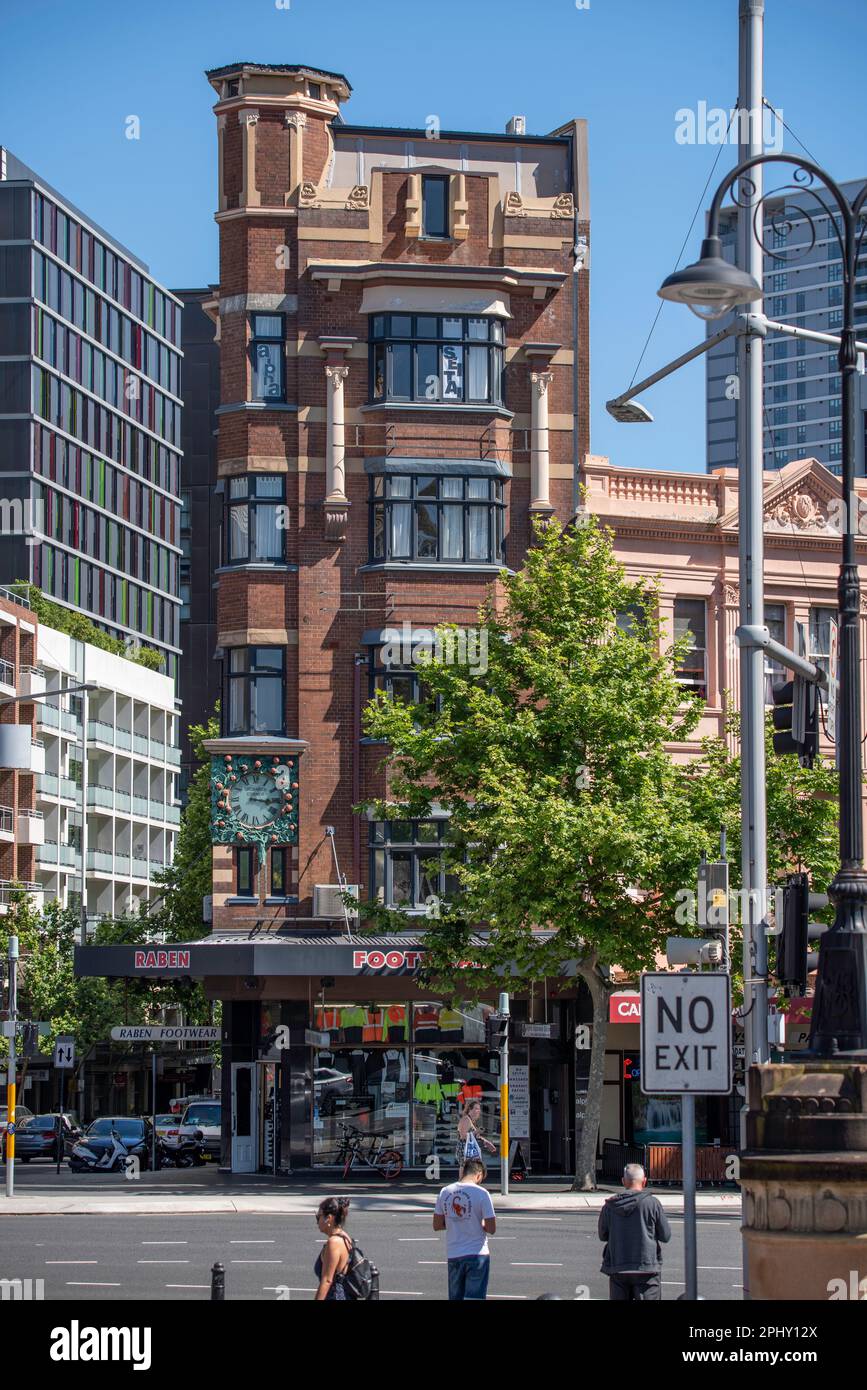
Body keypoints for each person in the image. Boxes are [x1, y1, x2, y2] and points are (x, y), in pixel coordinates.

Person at [598, 1163, 672, 1301]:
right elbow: (665, 1236)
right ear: (644, 1181)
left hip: (618, 1266)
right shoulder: (652, 1203)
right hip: (646, 1267)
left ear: (623, 1181)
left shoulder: (610, 1206)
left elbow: (603, 1236)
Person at [433, 1156, 496, 1301]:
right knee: (474, 1298)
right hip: (477, 1253)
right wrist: (478, 1223)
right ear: (479, 1175)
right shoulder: (482, 1193)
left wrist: (453, 1221)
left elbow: (436, 1225)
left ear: (464, 1172)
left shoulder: (445, 1192)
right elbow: (491, 1228)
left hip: (454, 1253)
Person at [314, 1196, 353, 1300]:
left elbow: (327, 1280)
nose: (317, 1221)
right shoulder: (345, 1237)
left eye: (319, 1216)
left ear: (329, 1218)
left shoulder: (334, 1243)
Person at [456, 1099, 496, 1177]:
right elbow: (463, 1136)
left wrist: (486, 1142)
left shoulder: (470, 1120)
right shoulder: (466, 1119)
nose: (479, 1111)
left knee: (469, 1169)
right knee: (465, 1168)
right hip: (464, 1149)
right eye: (476, 1109)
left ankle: (465, 1185)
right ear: (470, 1109)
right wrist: (476, 1131)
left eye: (479, 1109)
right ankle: (462, 1185)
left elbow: (474, 1136)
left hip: (468, 1149)